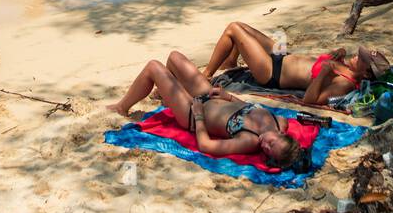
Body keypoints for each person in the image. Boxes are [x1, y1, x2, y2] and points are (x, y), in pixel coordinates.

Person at [108, 50, 312, 171]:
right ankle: (167, 94)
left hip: (192, 113)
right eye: (271, 144)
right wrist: (229, 97)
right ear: (281, 134)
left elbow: (206, 146)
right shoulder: (279, 122)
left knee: (154, 67)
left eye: (268, 152)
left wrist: (197, 116)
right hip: (209, 95)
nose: (264, 147)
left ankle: (122, 106)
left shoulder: (248, 141)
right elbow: (249, 108)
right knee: (174, 58)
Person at [201, 21, 389, 101]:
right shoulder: (347, 66)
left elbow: (310, 100)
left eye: (362, 59)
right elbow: (318, 65)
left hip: (272, 72)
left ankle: (206, 75)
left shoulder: (345, 84)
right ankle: (230, 63)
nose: (357, 55)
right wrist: (337, 55)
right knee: (242, 27)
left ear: (365, 73)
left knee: (233, 29)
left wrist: (323, 73)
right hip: (283, 57)